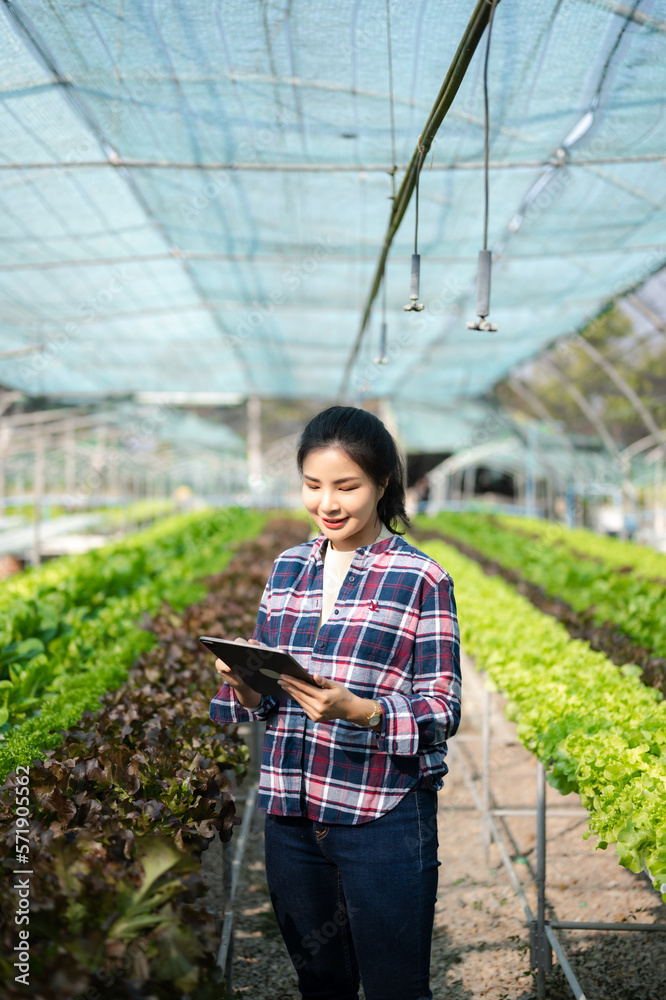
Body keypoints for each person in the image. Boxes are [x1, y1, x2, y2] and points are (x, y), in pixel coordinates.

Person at [209, 405, 461, 1000]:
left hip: (383, 815)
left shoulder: (421, 578)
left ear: (382, 485)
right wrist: (241, 676)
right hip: (291, 815)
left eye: (347, 487)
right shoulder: (288, 569)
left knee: (396, 985)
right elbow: (266, 698)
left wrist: (364, 712)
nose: (328, 503)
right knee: (321, 983)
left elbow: (442, 707)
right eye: (313, 485)